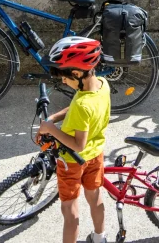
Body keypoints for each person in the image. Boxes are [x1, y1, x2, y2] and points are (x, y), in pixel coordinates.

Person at [38, 37, 111, 243]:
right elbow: (79, 109)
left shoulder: (82, 106)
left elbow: (78, 144)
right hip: (96, 154)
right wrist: (55, 117)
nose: (63, 81)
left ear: (77, 73)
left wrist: (51, 128)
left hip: (71, 160)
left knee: (70, 210)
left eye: (64, 77)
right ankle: (100, 237)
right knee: (95, 198)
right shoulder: (102, 85)